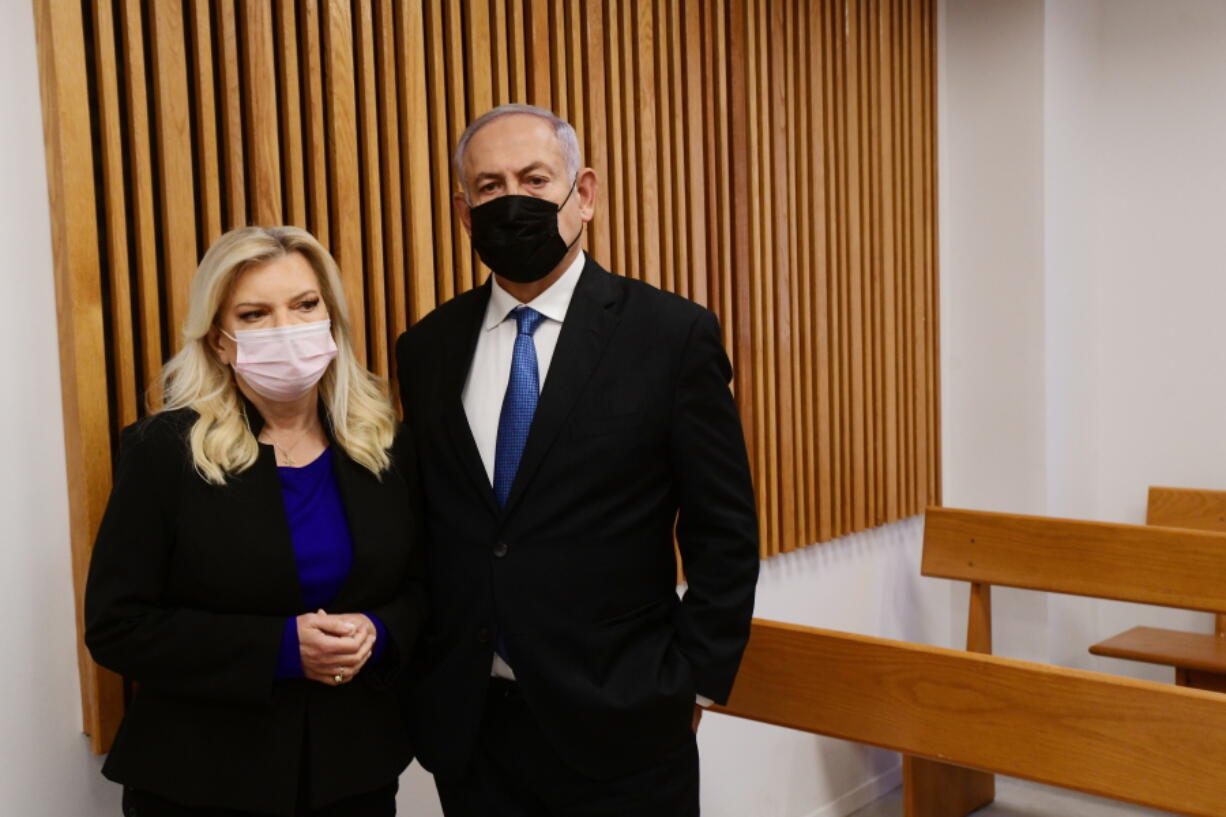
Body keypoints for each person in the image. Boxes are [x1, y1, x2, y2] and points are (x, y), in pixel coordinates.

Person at [396, 103, 760, 816]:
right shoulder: (427, 349)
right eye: (491, 187)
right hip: (473, 728)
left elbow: (726, 529)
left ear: (583, 194)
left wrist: (692, 681)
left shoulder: (671, 335)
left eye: (535, 179)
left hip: (624, 722)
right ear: (465, 214)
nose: (514, 202)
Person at [85, 226, 423, 817]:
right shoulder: (165, 452)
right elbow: (118, 626)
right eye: (254, 314)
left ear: (331, 319)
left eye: (304, 305)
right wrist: (281, 649)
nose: (286, 329)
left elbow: (426, 586)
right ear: (219, 341)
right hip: (201, 781)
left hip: (352, 778)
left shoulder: (384, 443)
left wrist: (379, 629)